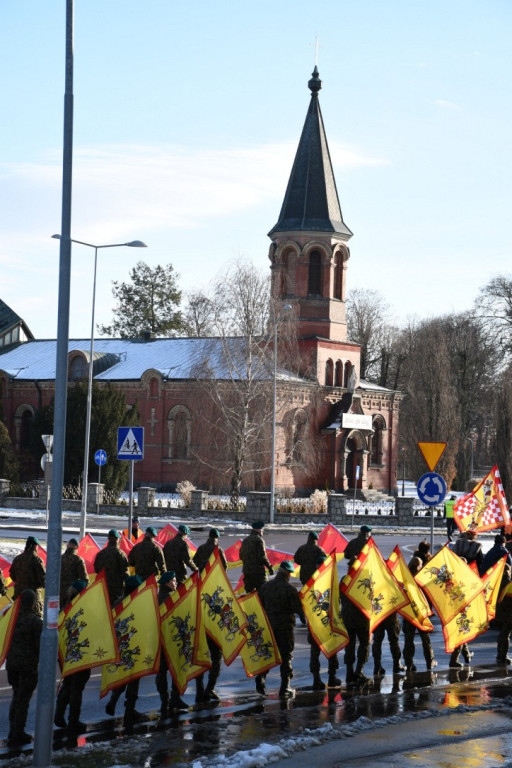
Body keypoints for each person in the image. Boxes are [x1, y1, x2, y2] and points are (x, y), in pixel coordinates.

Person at [294, 542, 340, 690]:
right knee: (331, 649)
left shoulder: (310, 584)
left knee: (315, 652)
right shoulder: (331, 581)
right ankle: (332, 678)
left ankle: (316, 679)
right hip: (328, 623)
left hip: (315, 624)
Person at [260, 560, 306, 698]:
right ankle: (285, 687)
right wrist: (303, 618)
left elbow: (259, 604)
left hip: (268, 626)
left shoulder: (266, 586)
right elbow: (298, 609)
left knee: (268, 654)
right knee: (286, 657)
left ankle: (261, 678)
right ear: (288, 574)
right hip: (284, 628)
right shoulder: (289, 590)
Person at [104, 575, 146, 724]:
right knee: (134, 678)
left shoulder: (118, 602)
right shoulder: (138, 603)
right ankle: (129, 710)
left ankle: (113, 701)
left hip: (121, 645)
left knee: (123, 675)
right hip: (134, 645)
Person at [193, 529, 228, 702]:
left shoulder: (200, 548)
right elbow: (225, 567)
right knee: (216, 658)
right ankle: (210, 689)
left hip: (201, 593)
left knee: (201, 656)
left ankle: (200, 690)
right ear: (217, 539)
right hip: (213, 620)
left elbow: (193, 563)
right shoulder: (218, 551)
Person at [6, 589, 43, 746]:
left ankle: (12, 730)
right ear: (34, 602)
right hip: (27, 666)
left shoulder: (11, 619)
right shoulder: (35, 621)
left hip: (12, 664)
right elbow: (39, 646)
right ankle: (18, 734)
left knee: (16, 696)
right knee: (23, 700)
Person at [54, 580, 91, 731]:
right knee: (76, 689)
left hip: (66, 654)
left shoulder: (64, 610)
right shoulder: (85, 611)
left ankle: (59, 714)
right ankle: (73, 721)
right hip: (80, 654)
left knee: (68, 684)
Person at [156, 571, 188, 713]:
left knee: (162, 672)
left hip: (160, 640)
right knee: (177, 668)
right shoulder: (170, 598)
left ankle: (165, 700)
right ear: (167, 583)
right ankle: (174, 698)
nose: (175, 583)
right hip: (171, 640)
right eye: (174, 581)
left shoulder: (156, 598)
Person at [402, 556, 436, 674]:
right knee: (425, 638)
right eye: (420, 565)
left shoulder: (406, 579)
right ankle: (429, 661)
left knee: (409, 639)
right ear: (417, 567)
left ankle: (409, 663)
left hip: (409, 614)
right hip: (421, 613)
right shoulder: (420, 580)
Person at [9, 535, 45, 615]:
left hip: (18, 596)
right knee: (35, 620)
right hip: (33, 598)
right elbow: (43, 579)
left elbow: (12, 575)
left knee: (18, 619)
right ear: (35, 546)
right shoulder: (37, 560)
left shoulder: (17, 559)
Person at [94, 529, 129, 606]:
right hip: (116, 588)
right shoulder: (120, 554)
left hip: (102, 586)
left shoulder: (100, 554)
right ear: (117, 539)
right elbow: (125, 572)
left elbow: (96, 570)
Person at [240, 521, 274, 593]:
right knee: (264, 592)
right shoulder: (259, 540)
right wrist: (269, 567)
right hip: (258, 573)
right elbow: (262, 556)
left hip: (247, 572)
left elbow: (241, 556)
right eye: (262, 529)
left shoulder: (245, 540)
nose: (263, 531)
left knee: (249, 595)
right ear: (259, 530)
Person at [372, 611, 405, 677]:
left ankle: (377, 666)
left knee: (377, 641)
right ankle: (397, 664)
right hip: (390, 613)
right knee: (394, 640)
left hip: (377, 613)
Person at [59, 538, 88, 609]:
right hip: (72, 593)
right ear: (77, 547)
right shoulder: (78, 560)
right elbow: (85, 580)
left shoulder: (59, 558)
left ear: (67, 546)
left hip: (59, 593)